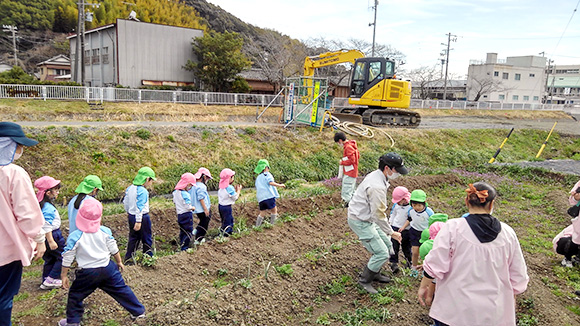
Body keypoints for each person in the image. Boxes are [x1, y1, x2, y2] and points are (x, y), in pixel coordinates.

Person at [418, 182, 529, 326]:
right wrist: (511, 297)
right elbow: (518, 275)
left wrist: (424, 286)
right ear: (491, 204)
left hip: (454, 308)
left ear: (466, 202)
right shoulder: (508, 233)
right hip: (493, 311)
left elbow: (436, 263)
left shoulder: (453, 228)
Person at [58, 198, 145, 326]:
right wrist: (119, 262)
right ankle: (138, 312)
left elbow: (68, 256)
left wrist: (64, 274)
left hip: (87, 272)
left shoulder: (75, 236)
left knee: (75, 295)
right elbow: (113, 248)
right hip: (107, 268)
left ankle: (73, 322)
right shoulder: (105, 231)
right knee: (121, 290)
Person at [0, 122, 46, 325]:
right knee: (3, 299)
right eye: (19, 145)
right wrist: (40, 238)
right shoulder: (13, 174)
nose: (21, 149)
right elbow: (27, 214)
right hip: (6, 251)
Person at [347, 152, 409, 294]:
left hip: (368, 217)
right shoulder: (376, 187)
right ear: (387, 168)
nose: (397, 174)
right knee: (381, 253)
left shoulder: (378, 175)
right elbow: (379, 215)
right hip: (360, 220)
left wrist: (388, 233)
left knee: (387, 246)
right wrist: (391, 232)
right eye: (396, 171)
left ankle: (375, 273)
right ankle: (365, 281)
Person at [34, 176, 65, 290]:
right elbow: (47, 225)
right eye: (56, 190)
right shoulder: (48, 207)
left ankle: (46, 279)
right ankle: (51, 279)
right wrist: (51, 240)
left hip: (45, 236)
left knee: (50, 259)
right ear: (48, 193)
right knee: (62, 256)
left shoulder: (40, 205)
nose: (58, 192)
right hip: (53, 235)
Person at [123, 167, 156, 263]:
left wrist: (128, 212)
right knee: (146, 237)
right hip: (142, 217)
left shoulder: (129, 188)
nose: (150, 183)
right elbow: (140, 207)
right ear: (147, 179)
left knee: (133, 238)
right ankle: (148, 257)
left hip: (131, 215)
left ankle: (129, 258)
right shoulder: (143, 191)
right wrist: (138, 221)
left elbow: (125, 202)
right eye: (151, 180)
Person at [399, 189, 434, 270]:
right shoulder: (411, 210)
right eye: (414, 205)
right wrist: (403, 227)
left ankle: (425, 268)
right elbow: (409, 219)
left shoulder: (429, 212)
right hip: (414, 232)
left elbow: (433, 223)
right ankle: (414, 268)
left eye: (419, 205)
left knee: (425, 252)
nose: (416, 208)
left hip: (425, 234)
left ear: (424, 203)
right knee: (415, 252)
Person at [388, 186, 412, 274]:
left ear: (404, 199)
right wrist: (390, 223)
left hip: (406, 230)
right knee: (394, 247)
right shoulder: (396, 206)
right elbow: (393, 214)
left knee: (406, 247)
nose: (397, 203)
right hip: (395, 228)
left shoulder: (411, 207)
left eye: (399, 201)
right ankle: (394, 263)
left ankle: (409, 262)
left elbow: (411, 218)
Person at [254, 159, 286, 227]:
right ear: (266, 167)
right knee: (274, 210)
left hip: (261, 198)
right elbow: (270, 182)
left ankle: (257, 226)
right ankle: (272, 224)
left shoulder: (258, 178)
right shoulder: (267, 175)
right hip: (268, 196)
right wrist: (280, 185)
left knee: (262, 212)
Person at [334, 132, 360, 206]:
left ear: (340, 140)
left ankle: (347, 204)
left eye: (338, 142)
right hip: (352, 171)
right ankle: (354, 204)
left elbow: (352, 160)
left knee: (347, 188)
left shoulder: (348, 147)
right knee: (352, 189)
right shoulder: (351, 145)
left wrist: (342, 162)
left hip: (350, 172)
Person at [172, 173, 197, 251]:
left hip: (180, 214)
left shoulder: (175, 193)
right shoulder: (185, 194)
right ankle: (185, 247)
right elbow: (187, 205)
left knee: (182, 230)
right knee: (188, 231)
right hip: (186, 214)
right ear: (188, 184)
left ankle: (182, 244)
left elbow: (174, 202)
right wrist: (192, 208)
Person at [191, 167, 212, 243]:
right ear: (203, 177)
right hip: (202, 208)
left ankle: (196, 230)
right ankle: (199, 238)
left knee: (203, 220)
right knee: (205, 222)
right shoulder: (201, 186)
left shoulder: (194, 185)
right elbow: (201, 198)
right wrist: (205, 208)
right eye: (207, 178)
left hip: (196, 208)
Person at [218, 168, 242, 236]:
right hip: (227, 207)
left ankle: (222, 231)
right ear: (229, 178)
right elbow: (235, 197)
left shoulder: (221, 187)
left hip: (220, 206)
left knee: (224, 220)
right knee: (229, 220)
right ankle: (227, 233)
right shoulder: (229, 187)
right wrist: (238, 191)